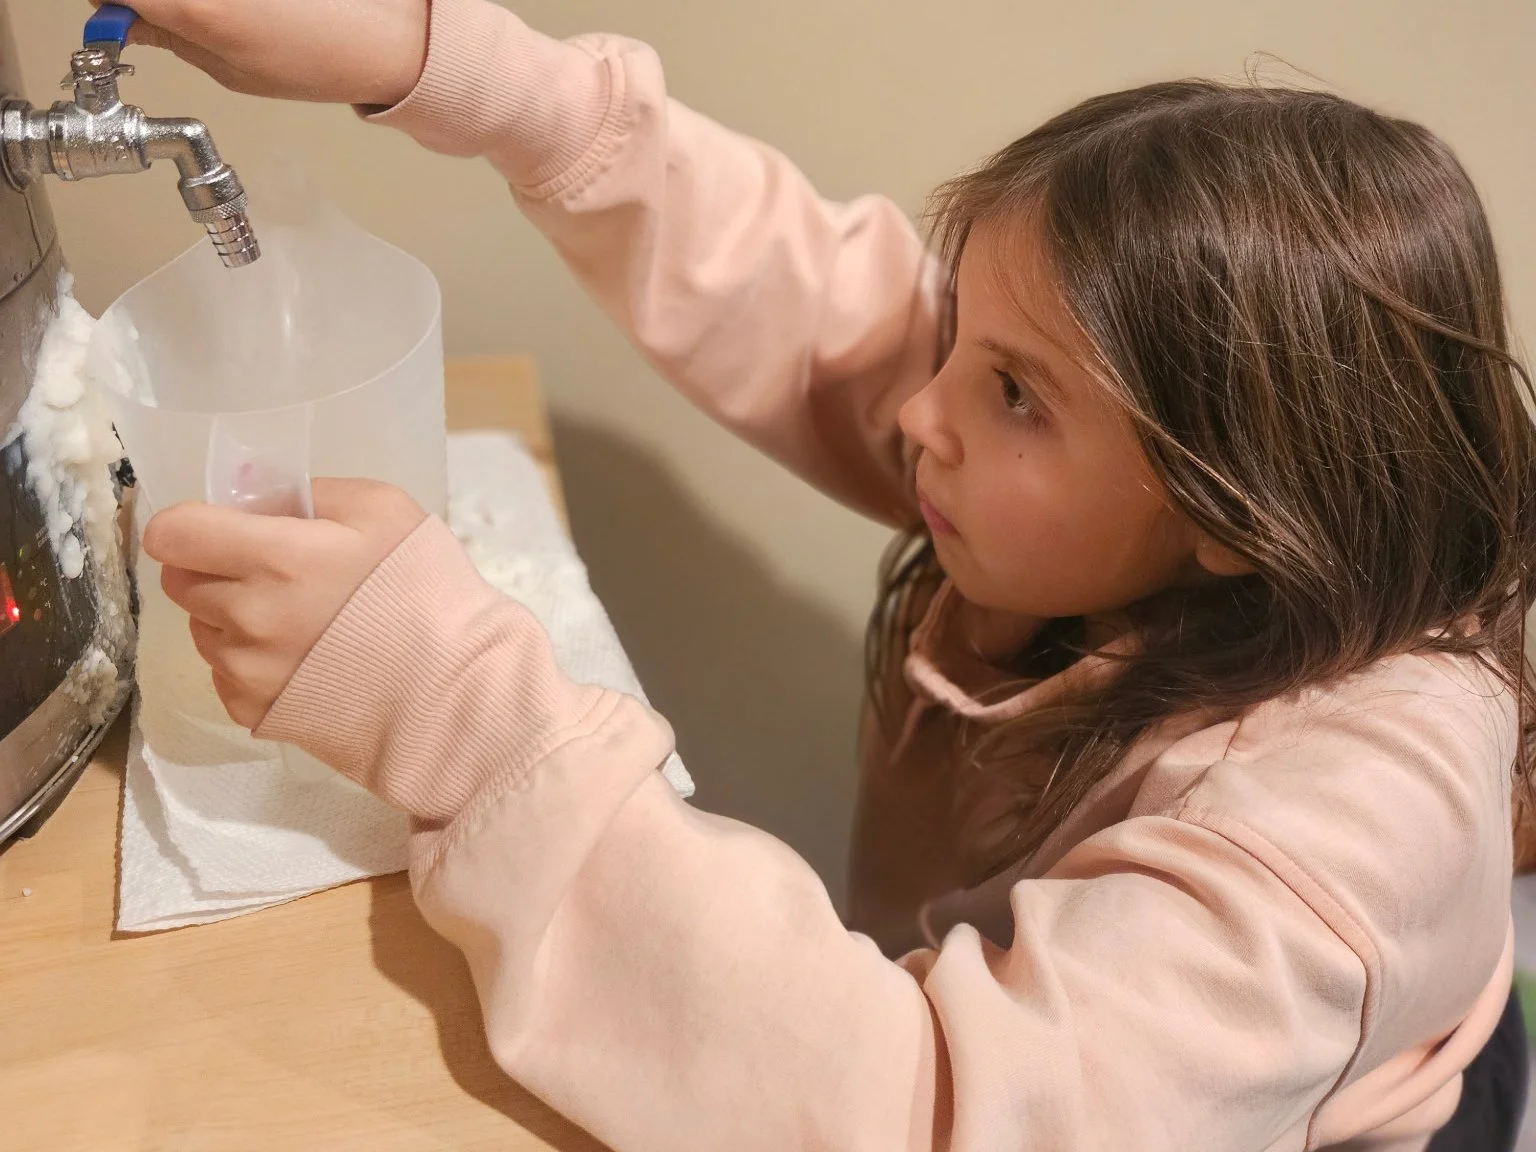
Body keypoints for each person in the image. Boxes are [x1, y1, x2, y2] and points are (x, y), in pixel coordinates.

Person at [121, 0, 1535, 1147]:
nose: (922, 410)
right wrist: (443, 58)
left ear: (1236, 502)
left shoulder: (1343, 826)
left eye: (1014, 394)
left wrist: (457, 712)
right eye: (963, 346)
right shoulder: (1188, 499)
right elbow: (815, 299)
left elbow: (929, 1111)